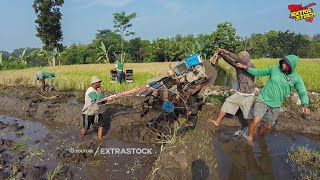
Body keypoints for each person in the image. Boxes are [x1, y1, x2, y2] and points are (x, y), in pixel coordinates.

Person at [236, 55, 310, 145]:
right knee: (256, 121)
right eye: (283, 63)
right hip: (263, 99)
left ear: (291, 66)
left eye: (286, 64)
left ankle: (260, 135)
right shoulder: (274, 69)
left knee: (267, 127)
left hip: (276, 104)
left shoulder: (296, 78)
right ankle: (250, 138)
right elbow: (258, 72)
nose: (283, 65)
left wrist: (305, 105)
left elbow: (302, 92)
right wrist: (245, 67)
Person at [208, 49, 256, 130]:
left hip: (248, 95)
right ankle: (217, 121)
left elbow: (237, 59)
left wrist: (226, 51)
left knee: (248, 115)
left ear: (245, 58)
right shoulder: (238, 66)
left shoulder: (251, 66)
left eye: (242, 57)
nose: (240, 59)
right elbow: (230, 61)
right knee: (228, 102)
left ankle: (251, 131)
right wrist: (222, 54)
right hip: (239, 93)